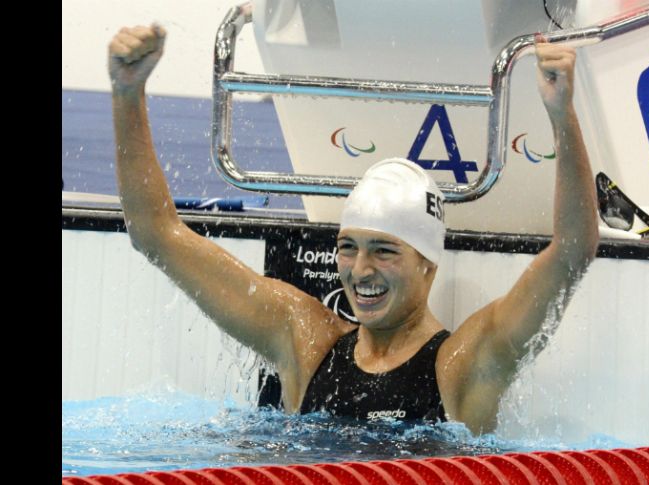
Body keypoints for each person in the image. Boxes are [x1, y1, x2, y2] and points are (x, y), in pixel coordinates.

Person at [109, 24, 599, 435]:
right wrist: (127, 95)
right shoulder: (306, 341)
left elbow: (573, 250)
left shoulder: (459, 368)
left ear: (428, 263)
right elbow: (156, 234)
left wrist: (562, 115)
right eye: (348, 247)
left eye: (384, 251)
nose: (361, 269)